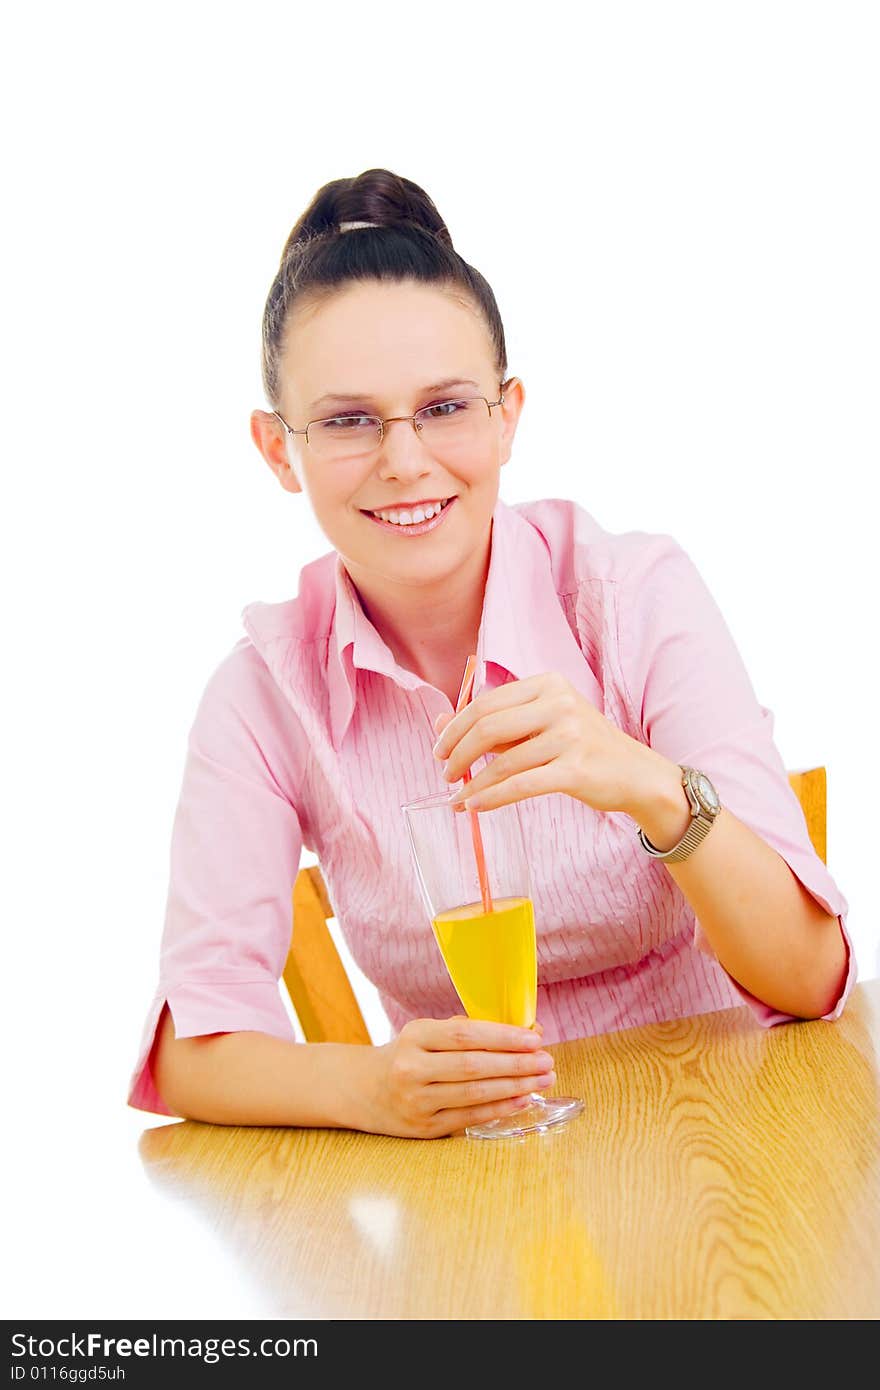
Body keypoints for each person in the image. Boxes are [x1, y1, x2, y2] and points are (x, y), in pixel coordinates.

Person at [127, 168, 854, 1139]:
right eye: (347, 420)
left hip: (736, 1144)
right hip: (483, 1187)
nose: (405, 460)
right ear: (276, 448)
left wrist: (643, 781)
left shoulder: (628, 594)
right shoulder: (263, 691)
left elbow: (810, 979)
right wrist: (367, 1087)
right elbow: (191, 1046)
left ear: (507, 415)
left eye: (445, 407)